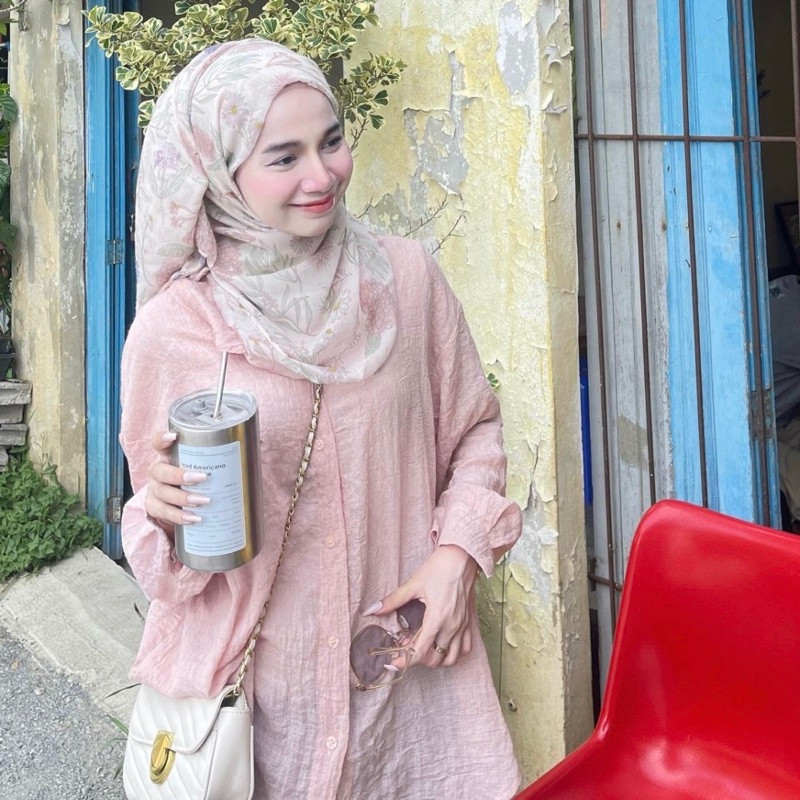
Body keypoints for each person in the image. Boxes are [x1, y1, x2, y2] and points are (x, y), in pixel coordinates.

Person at [120, 38, 522, 799]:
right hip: (264, 709)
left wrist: (457, 556)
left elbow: (474, 428)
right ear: (219, 174)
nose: (322, 175)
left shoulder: (406, 279)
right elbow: (162, 535)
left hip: (408, 685)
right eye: (284, 157)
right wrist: (163, 515)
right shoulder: (176, 329)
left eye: (331, 141)